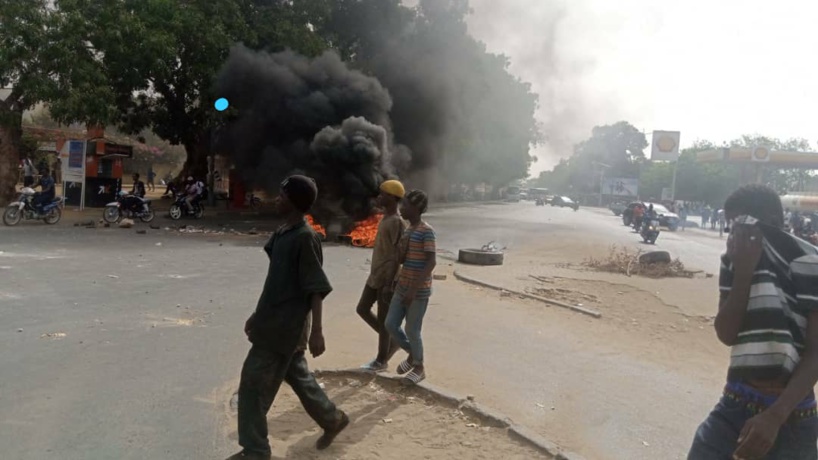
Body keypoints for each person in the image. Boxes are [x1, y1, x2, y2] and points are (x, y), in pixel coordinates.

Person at [687, 184, 818, 460]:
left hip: (793, 415)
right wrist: (744, 272)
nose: (734, 235)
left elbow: (815, 352)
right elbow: (726, 334)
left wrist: (775, 416)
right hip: (735, 402)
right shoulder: (733, 262)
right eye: (730, 228)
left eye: (741, 225)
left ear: (772, 223)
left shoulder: (810, 265)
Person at [230, 175, 349, 460]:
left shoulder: (305, 238)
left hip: (284, 328)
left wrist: (318, 331)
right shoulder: (284, 232)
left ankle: (256, 450)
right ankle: (333, 419)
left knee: (251, 387)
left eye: (282, 195)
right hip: (272, 322)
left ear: (294, 202)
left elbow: (316, 289)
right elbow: (277, 282)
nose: (277, 199)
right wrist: (257, 315)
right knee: (299, 378)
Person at [386, 190, 437, 386]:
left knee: (412, 329)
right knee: (390, 324)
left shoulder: (426, 231)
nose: (401, 208)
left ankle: (419, 367)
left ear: (416, 208)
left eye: (405, 205)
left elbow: (431, 262)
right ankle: (412, 355)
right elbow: (403, 259)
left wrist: (414, 290)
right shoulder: (408, 230)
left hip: (418, 290)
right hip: (402, 286)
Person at [357, 180, 407, 372]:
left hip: (387, 279)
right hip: (375, 276)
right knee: (362, 308)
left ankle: (381, 360)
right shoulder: (385, 218)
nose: (379, 197)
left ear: (392, 198)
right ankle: (393, 341)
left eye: (382, 194)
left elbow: (397, 255)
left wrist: (389, 283)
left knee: (385, 319)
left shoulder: (396, 222)